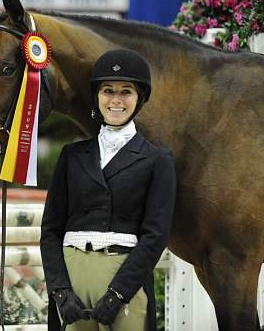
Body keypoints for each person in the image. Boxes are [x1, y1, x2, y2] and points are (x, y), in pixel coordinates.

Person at [40, 48, 177, 331]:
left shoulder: (157, 160)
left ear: (140, 98)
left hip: (124, 280)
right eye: (108, 90)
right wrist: (60, 290)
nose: (116, 100)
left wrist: (118, 294)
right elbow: (50, 231)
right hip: (72, 281)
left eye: (126, 91)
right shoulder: (71, 156)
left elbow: (155, 235)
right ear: (97, 96)